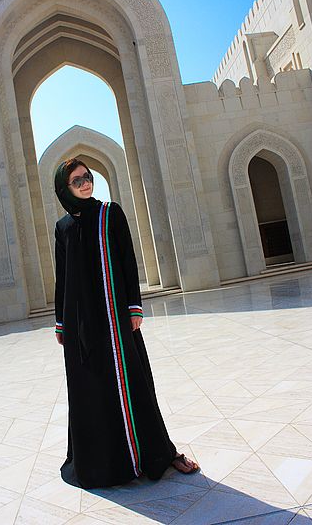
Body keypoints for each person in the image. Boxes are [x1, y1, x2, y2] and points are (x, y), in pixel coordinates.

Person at [54, 157, 200, 489]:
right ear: (65, 189)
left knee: (133, 383)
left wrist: (134, 306)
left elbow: (127, 259)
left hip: (115, 317)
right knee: (91, 390)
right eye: (77, 181)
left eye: (88, 177)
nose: (85, 184)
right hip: (82, 326)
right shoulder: (62, 228)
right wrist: (61, 324)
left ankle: (160, 453)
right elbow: (62, 278)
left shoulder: (110, 213)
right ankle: (105, 464)